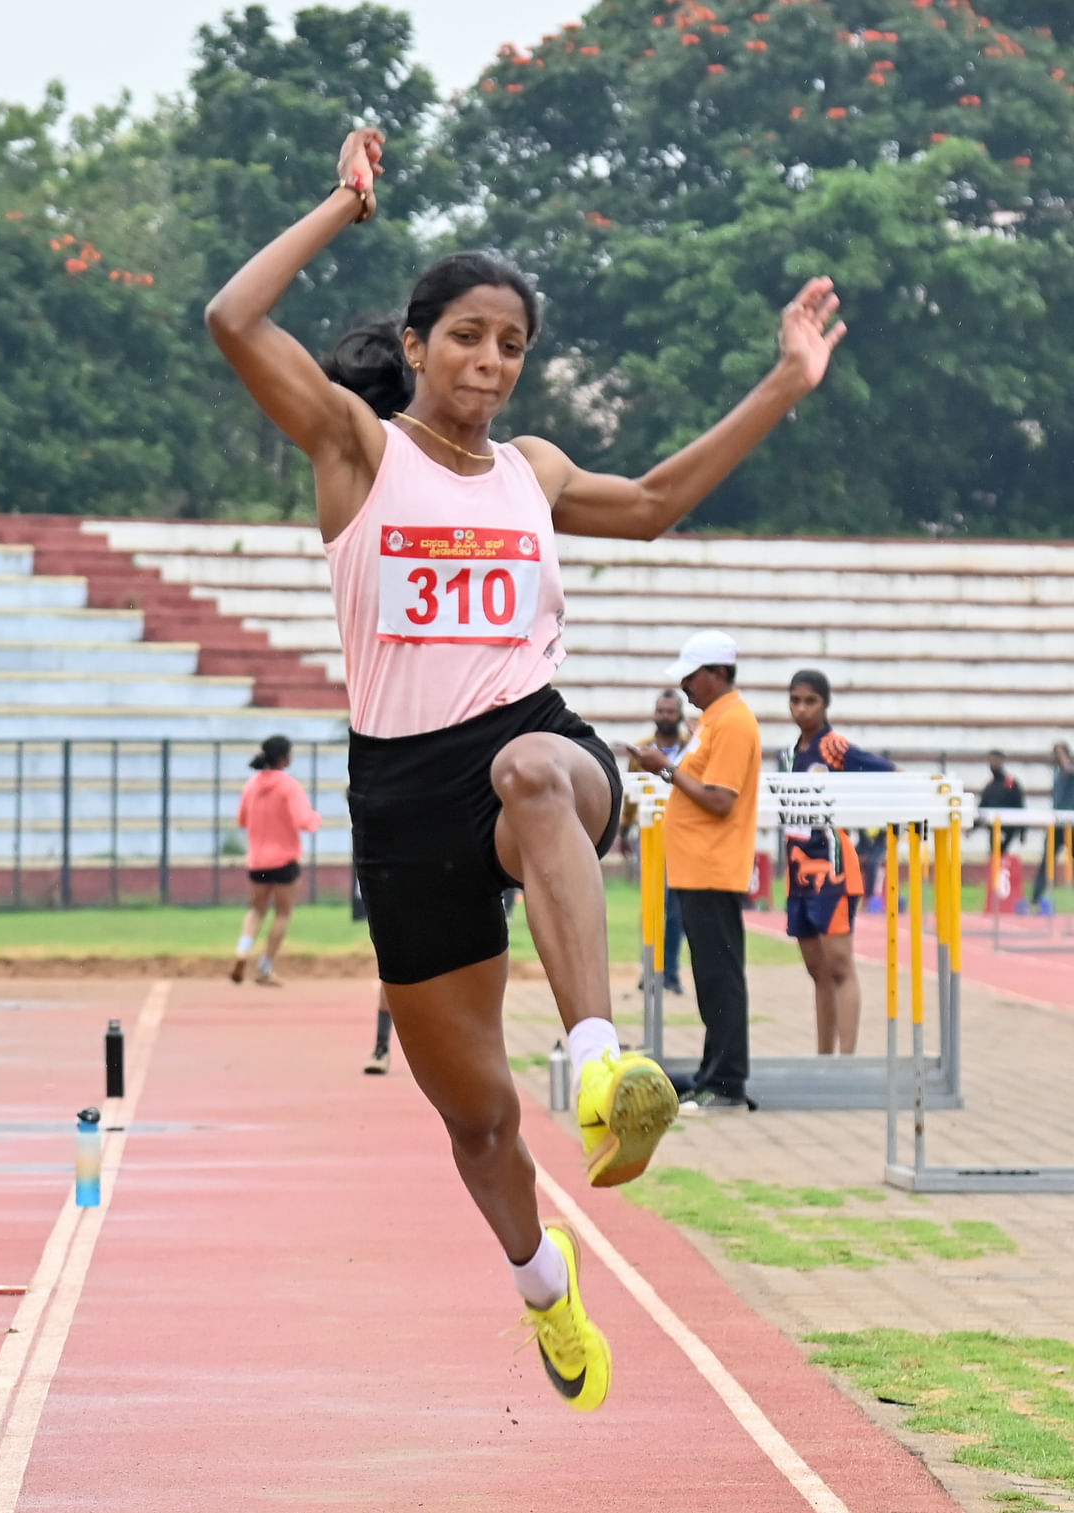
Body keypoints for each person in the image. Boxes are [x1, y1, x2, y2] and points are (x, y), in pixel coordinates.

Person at [206, 123, 844, 1410]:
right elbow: (231, 317)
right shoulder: (354, 449)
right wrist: (342, 202)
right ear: (423, 340)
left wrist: (786, 381)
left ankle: (607, 1062)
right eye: (469, 338)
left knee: (539, 773)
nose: (491, 363)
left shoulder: (531, 473)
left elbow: (658, 501)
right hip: (402, 792)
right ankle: (545, 1287)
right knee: (481, 1123)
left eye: (513, 345)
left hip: (530, 742)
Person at [629, 631, 762, 1113]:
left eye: (691, 675)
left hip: (713, 866)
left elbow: (720, 800)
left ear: (717, 674)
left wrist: (664, 768)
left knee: (720, 977)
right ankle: (713, 1071)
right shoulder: (713, 722)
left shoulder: (733, 724)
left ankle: (726, 1082)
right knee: (711, 976)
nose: (685, 685)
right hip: (698, 866)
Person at [780, 669, 895, 1056]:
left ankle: (848, 1059)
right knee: (817, 972)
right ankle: (823, 1057)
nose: (801, 709)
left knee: (840, 965)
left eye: (809, 701)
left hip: (832, 871)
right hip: (797, 873)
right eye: (794, 700)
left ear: (825, 704)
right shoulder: (790, 753)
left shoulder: (835, 748)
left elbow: (888, 774)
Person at [230, 735, 322, 985]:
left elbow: (242, 820)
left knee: (256, 910)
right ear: (284, 758)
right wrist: (316, 818)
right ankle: (265, 966)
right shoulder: (289, 786)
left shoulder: (251, 785)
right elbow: (304, 820)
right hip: (284, 861)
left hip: (257, 861)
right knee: (283, 913)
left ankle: (243, 949)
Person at [620, 689, 692, 993]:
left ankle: (670, 973)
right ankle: (649, 971)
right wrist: (624, 831)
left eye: (670, 711)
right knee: (652, 904)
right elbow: (630, 794)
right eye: (661, 711)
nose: (665, 716)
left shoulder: (692, 747)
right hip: (650, 834)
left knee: (676, 910)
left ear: (680, 715)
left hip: (685, 836)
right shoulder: (642, 749)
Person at [1031, 742, 1074, 908]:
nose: (1056, 757)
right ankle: (1036, 898)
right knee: (1047, 861)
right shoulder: (1056, 773)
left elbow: (1068, 768)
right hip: (1056, 824)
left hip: (1071, 824)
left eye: (1059, 754)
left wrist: (1063, 755)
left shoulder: (1070, 768)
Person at [978, 751, 1026, 855]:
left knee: (1002, 854)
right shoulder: (989, 785)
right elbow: (982, 806)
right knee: (994, 855)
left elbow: (1020, 805)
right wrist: (973, 826)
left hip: (1008, 827)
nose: (993, 764)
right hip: (993, 827)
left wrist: (1022, 831)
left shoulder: (1010, 783)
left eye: (995, 760)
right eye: (991, 760)